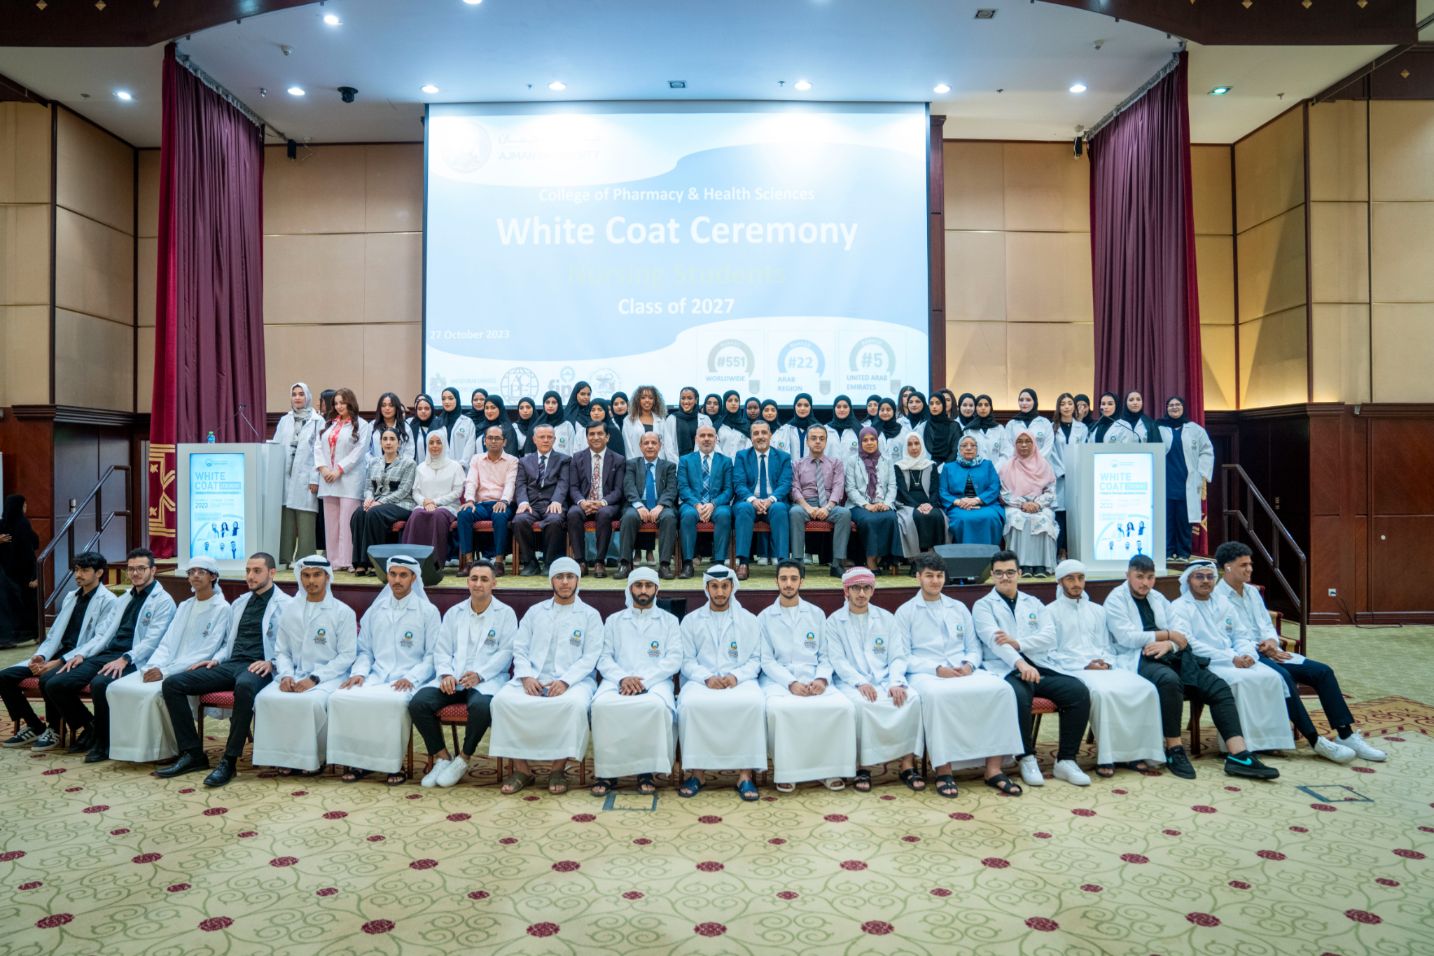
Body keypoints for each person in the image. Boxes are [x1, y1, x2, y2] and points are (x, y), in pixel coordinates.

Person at [1104, 554, 1279, 780]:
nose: (1145, 583)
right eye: (1139, 577)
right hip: (1138, 656)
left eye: (1150, 577)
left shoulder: (1158, 598)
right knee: (1170, 681)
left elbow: (1181, 635)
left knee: (1218, 687)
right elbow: (1127, 637)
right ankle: (1174, 748)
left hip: (1171, 653)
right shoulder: (1116, 599)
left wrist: (1169, 643)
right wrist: (1167, 635)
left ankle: (1239, 754)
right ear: (1128, 575)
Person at [1214, 541, 1385, 762]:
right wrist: (1260, 649)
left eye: (1250, 564)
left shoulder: (1252, 593)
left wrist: (1271, 642)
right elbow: (1225, 637)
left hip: (1271, 652)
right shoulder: (1216, 598)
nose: (1250, 569)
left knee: (1322, 672)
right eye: (1243, 565)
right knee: (1283, 678)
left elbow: (1266, 624)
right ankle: (1315, 740)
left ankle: (1346, 734)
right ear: (1227, 567)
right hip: (1247, 657)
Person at [155, 552, 292, 786]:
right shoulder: (239, 603)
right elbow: (227, 641)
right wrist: (216, 660)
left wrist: (273, 662)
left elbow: (291, 646)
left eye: (257, 571)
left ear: (272, 573)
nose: (250, 576)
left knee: (245, 686)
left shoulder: (287, 605)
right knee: (173, 684)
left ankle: (229, 760)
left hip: (260, 666)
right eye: (248, 571)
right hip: (231, 663)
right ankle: (193, 753)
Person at [895, 554, 1024, 797]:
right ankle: (944, 769)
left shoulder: (958, 607)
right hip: (926, 673)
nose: (935, 581)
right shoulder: (905, 612)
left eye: (939, 576)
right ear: (918, 577)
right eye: (929, 576)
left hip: (963, 669)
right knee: (938, 697)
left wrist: (969, 665)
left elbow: (974, 647)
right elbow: (902, 656)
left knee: (1002, 690)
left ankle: (993, 769)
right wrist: (937, 669)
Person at [1031, 560, 1164, 778]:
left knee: (1145, 689)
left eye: (1080, 578)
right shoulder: (1049, 612)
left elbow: (1108, 646)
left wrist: (1106, 662)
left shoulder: (1098, 611)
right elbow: (1050, 653)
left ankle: (1136, 753)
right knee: (1103, 693)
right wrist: (1085, 665)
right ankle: (1108, 756)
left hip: (1105, 666)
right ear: (1060, 582)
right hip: (1072, 669)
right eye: (1070, 579)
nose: (1076, 583)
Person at [971, 551, 1093, 787]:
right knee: (1019, 695)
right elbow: (995, 642)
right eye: (999, 573)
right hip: (1006, 668)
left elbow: (1049, 636)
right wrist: (1020, 662)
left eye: (1010, 572)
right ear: (992, 575)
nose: (1005, 577)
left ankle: (1066, 760)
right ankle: (1026, 757)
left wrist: (1018, 643)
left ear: (1018, 573)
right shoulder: (983, 606)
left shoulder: (1033, 602)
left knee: (1077, 691)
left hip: (1040, 665)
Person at [44, 548, 175, 762]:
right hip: (107, 654)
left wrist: (125, 659)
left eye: (141, 568)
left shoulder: (163, 601)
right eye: (131, 569)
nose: (135, 573)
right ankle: (90, 726)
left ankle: (103, 743)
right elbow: (101, 634)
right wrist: (82, 654)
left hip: (134, 658)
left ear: (153, 570)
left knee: (100, 684)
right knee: (54, 683)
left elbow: (153, 641)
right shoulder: (124, 598)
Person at [490, 557, 602, 795]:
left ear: (578, 581)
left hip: (574, 681)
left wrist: (565, 681)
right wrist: (526, 676)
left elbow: (591, 656)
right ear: (551, 580)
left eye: (570, 577)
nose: (565, 582)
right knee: (501, 702)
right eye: (559, 577)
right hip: (532, 678)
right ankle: (522, 769)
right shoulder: (535, 612)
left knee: (573, 706)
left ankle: (557, 769)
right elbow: (519, 648)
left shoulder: (590, 615)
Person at [107, 556, 231, 765]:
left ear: (213, 576)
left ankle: (165, 750)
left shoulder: (222, 608)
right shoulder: (185, 606)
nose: (195, 576)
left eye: (201, 572)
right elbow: (167, 643)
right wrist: (153, 666)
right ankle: (130, 749)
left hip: (191, 670)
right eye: (191, 572)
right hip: (165, 664)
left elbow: (206, 652)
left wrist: (166, 672)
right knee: (117, 688)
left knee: (153, 695)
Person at [329, 555, 440, 785]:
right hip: (376, 675)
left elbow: (432, 656)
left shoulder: (428, 612)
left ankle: (394, 765)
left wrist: (411, 677)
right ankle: (359, 762)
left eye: (403, 575)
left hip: (412, 678)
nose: (397, 580)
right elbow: (364, 651)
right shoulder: (375, 610)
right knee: (342, 697)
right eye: (393, 574)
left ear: (413, 578)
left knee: (393, 703)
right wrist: (359, 673)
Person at [410, 559, 517, 788]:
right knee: (418, 703)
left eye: (484, 579)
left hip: (486, 680)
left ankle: (463, 758)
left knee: (481, 707)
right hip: (453, 679)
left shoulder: (506, 614)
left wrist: (480, 674)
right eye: (474, 578)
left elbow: (506, 653)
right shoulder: (454, 613)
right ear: (468, 582)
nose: (478, 584)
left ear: (494, 583)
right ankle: (442, 757)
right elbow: (441, 649)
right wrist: (446, 674)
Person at [1172, 560, 1298, 755]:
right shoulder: (1179, 607)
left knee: (1271, 677)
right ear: (1188, 580)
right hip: (1209, 662)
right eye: (1199, 577)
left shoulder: (1223, 603)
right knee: (1239, 682)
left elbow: (1241, 635)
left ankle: (1270, 741)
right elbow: (1190, 644)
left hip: (1237, 657)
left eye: (1210, 576)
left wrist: (1247, 653)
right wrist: (1230, 659)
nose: (1205, 581)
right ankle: (1243, 744)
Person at [251, 555, 358, 776]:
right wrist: (286, 676)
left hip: (330, 677)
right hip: (295, 674)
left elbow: (347, 656)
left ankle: (314, 759)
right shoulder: (290, 610)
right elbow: (281, 650)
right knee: (265, 699)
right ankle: (283, 758)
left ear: (327, 577)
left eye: (317, 575)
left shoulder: (343, 612)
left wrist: (315, 679)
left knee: (311, 702)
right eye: (306, 575)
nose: (311, 581)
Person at [2, 551, 116, 751]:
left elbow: (99, 640)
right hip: (58, 653)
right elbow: (54, 633)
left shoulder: (109, 601)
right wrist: (41, 656)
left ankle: (54, 729)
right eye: (76, 570)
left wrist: (59, 661)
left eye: (84, 570)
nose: (78, 575)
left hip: (82, 657)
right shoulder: (71, 596)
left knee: (48, 679)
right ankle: (34, 726)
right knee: (4, 677)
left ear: (99, 573)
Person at [757, 559, 855, 792]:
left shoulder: (816, 614)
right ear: (776, 581)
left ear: (802, 581)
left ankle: (829, 770)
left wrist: (821, 679)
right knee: (780, 710)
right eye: (783, 579)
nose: (788, 584)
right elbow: (766, 661)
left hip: (814, 677)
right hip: (779, 681)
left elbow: (826, 655)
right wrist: (790, 683)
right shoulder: (764, 617)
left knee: (842, 708)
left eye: (793, 579)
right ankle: (788, 771)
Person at [825, 567, 925, 792]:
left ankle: (907, 764)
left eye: (866, 588)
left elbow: (898, 656)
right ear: (846, 591)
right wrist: (860, 682)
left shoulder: (887, 618)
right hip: (852, 682)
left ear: (872, 590)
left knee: (911, 699)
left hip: (885, 678)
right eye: (856, 588)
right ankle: (863, 766)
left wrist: (895, 682)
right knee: (861, 705)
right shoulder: (834, 621)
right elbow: (838, 660)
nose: (861, 593)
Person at [676, 565, 767, 801]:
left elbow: (756, 659)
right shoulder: (691, 620)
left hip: (739, 680)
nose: (719, 592)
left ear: (732, 587)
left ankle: (745, 775)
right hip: (701, 680)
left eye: (724, 586)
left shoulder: (749, 620)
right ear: (706, 588)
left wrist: (736, 676)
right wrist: (706, 677)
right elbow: (685, 660)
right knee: (690, 705)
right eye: (714, 587)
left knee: (753, 703)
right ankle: (697, 773)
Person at [589, 567, 682, 795]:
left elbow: (674, 659)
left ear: (656, 589)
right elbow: (603, 657)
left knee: (655, 707)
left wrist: (644, 682)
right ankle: (608, 772)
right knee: (602, 706)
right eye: (638, 585)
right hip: (617, 680)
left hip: (656, 682)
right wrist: (623, 678)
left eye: (648, 585)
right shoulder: (614, 620)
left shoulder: (669, 621)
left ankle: (646, 770)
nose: (643, 590)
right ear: (630, 588)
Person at [314, 387, 370, 572]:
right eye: (336, 403)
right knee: (331, 524)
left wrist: (339, 469)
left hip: (349, 480)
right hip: (328, 479)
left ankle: (348, 560)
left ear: (350, 403)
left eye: (342, 403)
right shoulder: (328, 424)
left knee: (347, 522)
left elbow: (359, 452)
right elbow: (317, 447)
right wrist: (323, 469)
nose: (339, 406)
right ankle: (333, 560)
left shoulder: (362, 424)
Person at [349, 426, 417, 576]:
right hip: (377, 504)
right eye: (385, 439)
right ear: (380, 443)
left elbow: (403, 491)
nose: (388, 442)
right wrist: (368, 498)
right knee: (359, 513)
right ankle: (360, 562)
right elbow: (368, 487)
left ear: (399, 443)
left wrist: (380, 502)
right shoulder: (374, 462)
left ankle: (376, 562)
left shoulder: (409, 463)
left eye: (392, 439)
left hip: (401, 504)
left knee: (374, 513)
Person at [564, 420, 626, 577]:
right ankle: (580, 561)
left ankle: (599, 562)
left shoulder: (618, 459)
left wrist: (602, 502)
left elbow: (618, 490)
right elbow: (573, 487)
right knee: (572, 513)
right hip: (584, 503)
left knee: (604, 514)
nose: (596, 437)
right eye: (591, 434)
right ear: (586, 438)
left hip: (607, 504)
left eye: (600, 434)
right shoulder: (577, 458)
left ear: (607, 437)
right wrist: (582, 502)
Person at [789, 424, 851, 577]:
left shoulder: (836, 463)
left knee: (845, 514)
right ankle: (798, 563)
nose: (818, 441)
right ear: (807, 442)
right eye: (814, 438)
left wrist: (827, 508)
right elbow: (794, 489)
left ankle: (837, 564)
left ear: (826, 442)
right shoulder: (797, 464)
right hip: (805, 504)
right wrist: (807, 507)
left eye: (821, 439)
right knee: (794, 512)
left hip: (828, 504)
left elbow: (838, 487)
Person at [733, 419, 792, 580]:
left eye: (764, 432)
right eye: (756, 433)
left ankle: (783, 562)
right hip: (749, 502)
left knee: (780, 508)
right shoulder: (742, 456)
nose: (760, 436)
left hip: (773, 502)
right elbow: (739, 483)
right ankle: (743, 562)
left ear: (770, 435)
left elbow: (785, 483)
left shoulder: (783, 457)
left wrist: (771, 499)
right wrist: (753, 500)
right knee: (743, 508)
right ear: (751, 437)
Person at [1157, 396, 1214, 561]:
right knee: (1167, 519)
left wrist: (1201, 473)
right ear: (1166, 408)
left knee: (1183, 520)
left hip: (1186, 482)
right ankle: (1167, 552)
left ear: (1183, 408)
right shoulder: (1159, 428)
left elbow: (1207, 451)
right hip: (1166, 481)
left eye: (1177, 405)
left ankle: (1183, 553)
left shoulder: (1195, 429)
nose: (1174, 407)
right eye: (1171, 405)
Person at [272, 383, 322, 568]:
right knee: (286, 518)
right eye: (294, 394)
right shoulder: (284, 420)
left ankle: (304, 558)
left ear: (307, 396)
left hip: (306, 477)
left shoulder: (317, 421)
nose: (297, 397)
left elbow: (319, 452)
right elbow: (276, 447)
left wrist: (315, 478)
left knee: (306, 518)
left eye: (301, 394)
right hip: (286, 475)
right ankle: (284, 558)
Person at [456, 425, 517, 575]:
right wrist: (469, 500)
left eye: (497, 438)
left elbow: (510, 483)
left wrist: (504, 501)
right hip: (481, 505)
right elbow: (471, 481)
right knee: (464, 514)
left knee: (500, 516)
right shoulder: (476, 459)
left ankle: (499, 562)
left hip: (503, 503)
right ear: (484, 441)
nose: (493, 441)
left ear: (504, 442)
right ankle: (469, 562)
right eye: (490, 438)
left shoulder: (512, 461)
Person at [618, 431, 680, 579]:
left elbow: (671, 489)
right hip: (637, 504)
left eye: (654, 443)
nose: (650, 446)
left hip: (661, 505)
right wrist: (639, 505)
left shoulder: (669, 466)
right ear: (640, 446)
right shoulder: (632, 464)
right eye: (646, 443)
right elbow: (629, 486)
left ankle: (664, 565)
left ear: (660, 446)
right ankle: (625, 564)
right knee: (629, 517)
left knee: (669, 518)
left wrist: (661, 505)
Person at [512, 425, 572, 576]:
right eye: (542, 437)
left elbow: (563, 482)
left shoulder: (564, 460)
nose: (546, 440)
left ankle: (549, 562)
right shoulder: (524, 461)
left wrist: (557, 500)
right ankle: (530, 562)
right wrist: (523, 502)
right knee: (519, 520)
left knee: (554, 520)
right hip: (531, 505)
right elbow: (520, 484)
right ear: (534, 439)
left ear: (554, 439)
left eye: (549, 437)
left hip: (552, 503)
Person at [676, 424, 734, 579]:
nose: (706, 439)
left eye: (710, 436)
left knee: (724, 515)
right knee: (687, 516)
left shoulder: (726, 461)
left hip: (717, 505)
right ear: (696, 439)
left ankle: (719, 563)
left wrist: (712, 504)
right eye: (702, 436)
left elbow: (729, 490)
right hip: (692, 504)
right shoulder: (685, 460)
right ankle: (688, 563)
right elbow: (683, 488)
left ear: (716, 439)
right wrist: (697, 505)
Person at [400, 430, 465, 567]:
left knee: (437, 515)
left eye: (438, 442)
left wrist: (435, 502)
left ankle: (435, 562)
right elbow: (415, 491)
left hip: (448, 507)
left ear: (444, 444)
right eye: (431, 442)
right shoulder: (421, 467)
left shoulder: (455, 466)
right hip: (424, 505)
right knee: (416, 515)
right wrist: (424, 502)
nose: (435, 446)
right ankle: (411, 561)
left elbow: (458, 491)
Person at [999, 430, 1059, 575]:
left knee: (1044, 519)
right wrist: (1022, 504)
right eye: (1020, 442)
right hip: (1016, 505)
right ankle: (1021, 564)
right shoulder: (1007, 467)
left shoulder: (1044, 465)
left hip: (1040, 505)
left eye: (1028, 441)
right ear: (1015, 445)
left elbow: (1050, 490)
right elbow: (1003, 492)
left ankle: (1042, 565)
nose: (1024, 445)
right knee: (1018, 519)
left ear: (1034, 444)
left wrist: (1037, 504)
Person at [845, 427, 901, 570]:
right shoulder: (852, 461)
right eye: (865, 440)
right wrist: (866, 505)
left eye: (872, 439)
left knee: (891, 518)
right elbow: (850, 488)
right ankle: (871, 559)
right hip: (858, 505)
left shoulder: (887, 460)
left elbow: (892, 486)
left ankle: (887, 559)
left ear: (877, 441)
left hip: (882, 503)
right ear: (860, 442)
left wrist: (886, 503)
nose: (869, 443)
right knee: (869, 520)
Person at [939, 435, 1004, 547]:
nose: (969, 448)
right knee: (963, 519)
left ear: (977, 448)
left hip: (985, 504)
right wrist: (959, 502)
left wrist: (977, 500)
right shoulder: (948, 467)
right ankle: (965, 554)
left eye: (972, 445)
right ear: (959, 449)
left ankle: (990, 554)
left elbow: (994, 487)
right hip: (959, 506)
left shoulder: (987, 465)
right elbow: (942, 491)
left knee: (991, 517)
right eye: (964, 445)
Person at [893, 432, 947, 561]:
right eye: (910, 444)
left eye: (917, 443)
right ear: (905, 447)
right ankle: (916, 559)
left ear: (922, 445)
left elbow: (935, 489)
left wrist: (930, 504)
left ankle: (934, 557)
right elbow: (902, 492)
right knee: (915, 517)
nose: (914, 447)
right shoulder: (899, 466)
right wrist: (917, 506)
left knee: (937, 516)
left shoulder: (930, 465)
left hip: (929, 503)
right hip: (907, 504)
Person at [1050, 392, 1088, 560]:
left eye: (1069, 403)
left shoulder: (1082, 428)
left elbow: (1084, 450)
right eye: (1063, 404)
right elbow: (1050, 452)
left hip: (1077, 476)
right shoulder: (1052, 427)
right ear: (1058, 407)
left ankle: (1072, 552)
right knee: (1059, 515)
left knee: (1074, 514)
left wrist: (1075, 470)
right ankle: (1059, 551)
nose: (1066, 407)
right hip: (1059, 477)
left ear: (1074, 406)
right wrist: (1062, 470)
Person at [0, 493, 40, 646]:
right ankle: (34, 635)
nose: (26, 508)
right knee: (27, 604)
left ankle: (7, 638)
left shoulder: (2, 524)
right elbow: (30, 550)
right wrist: (34, 575)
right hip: (22, 576)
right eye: (24, 505)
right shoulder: (22, 524)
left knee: (7, 608)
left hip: (5, 575)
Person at [1004, 388, 1054, 460]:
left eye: (1028, 400)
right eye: (1021, 400)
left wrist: (1034, 461)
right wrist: (1020, 460)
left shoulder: (1045, 423)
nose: (1024, 403)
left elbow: (1048, 446)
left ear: (1035, 402)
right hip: (1017, 463)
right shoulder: (1011, 424)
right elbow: (1008, 446)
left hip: (1039, 464)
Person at [622, 385, 669, 463]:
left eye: (650, 398)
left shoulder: (661, 420)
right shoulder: (628, 420)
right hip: (636, 464)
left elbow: (666, 445)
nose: (647, 400)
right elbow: (628, 447)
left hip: (658, 465)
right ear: (638, 400)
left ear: (655, 401)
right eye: (643, 397)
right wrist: (633, 466)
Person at [664, 386, 711, 463]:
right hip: (677, 464)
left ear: (696, 400)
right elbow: (668, 447)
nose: (686, 401)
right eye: (683, 398)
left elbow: (709, 444)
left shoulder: (705, 419)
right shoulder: (671, 419)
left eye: (689, 398)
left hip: (699, 464)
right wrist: (680, 464)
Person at [437, 386, 478, 469]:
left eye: (450, 398)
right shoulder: (437, 422)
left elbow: (470, 446)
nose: (446, 402)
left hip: (462, 469)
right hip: (441, 469)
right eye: (443, 399)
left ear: (457, 400)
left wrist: (462, 464)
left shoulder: (467, 422)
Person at [774, 392, 818, 460]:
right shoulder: (785, 429)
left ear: (811, 407)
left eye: (806, 405)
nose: (802, 408)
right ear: (794, 407)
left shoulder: (819, 429)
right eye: (799, 405)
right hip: (790, 467)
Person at [368, 391, 413, 459]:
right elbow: (367, 451)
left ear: (396, 408)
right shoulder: (371, 426)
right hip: (375, 464)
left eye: (391, 405)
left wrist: (399, 464)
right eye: (384, 405)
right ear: (380, 408)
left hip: (401, 464)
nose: (387, 408)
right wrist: (375, 463)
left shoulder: (405, 427)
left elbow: (409, 452)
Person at [523, 390, 569, 456]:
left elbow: (571, 451)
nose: (550, 406)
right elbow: (529, 451)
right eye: (547, 402)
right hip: (539, 462)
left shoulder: (567, 426)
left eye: (554, 403)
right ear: (544, 404)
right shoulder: (537, 426)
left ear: (559, 404)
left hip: (563, 461)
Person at [966, 395, 1008, 464]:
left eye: (986, 405)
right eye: (980, 405)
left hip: (996, 469)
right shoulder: (968, 430)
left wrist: (996, 468)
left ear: (990, 408)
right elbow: (966, 454)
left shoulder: (1000, 429)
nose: (983, 408)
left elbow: (1006, 452)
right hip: (975, 468)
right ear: (975, 408)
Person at [921, 392, 958, 464]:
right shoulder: (924, 426)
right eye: (931, 403)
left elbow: (956, 450)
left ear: (943, 405)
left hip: (948, 467)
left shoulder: (954, 426)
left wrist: (944, 466)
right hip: (927, 466)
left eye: (938, 403)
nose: (934, 406)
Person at [715, 389, 752, 460]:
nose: (733, 403)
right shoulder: (718, 425)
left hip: (741, 463)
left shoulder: (746, 424)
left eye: (736, 401)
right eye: (730, 400)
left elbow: (749, 447)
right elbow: (715, 446)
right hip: (722, 464)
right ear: (724, 403)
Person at [824, 395, 861, 462]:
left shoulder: (858, 429)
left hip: (852, 469)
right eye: (838, 407)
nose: (842, 409)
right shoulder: (825, 429)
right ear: (834, 408)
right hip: (829, 468)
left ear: (850, 408)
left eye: (845, 407)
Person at [872, 398, 909, 465]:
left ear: (894, 411)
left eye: (888, 410)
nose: (885, 412)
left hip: (898, 469)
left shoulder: (903, 431)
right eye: (882, 410)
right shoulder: (873, 430)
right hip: (877, 469)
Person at [408, 394, 440, 461]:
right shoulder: (410, 425)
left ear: (431, 409)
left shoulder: (439, 424)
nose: (423, 411)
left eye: (426, 408)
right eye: (420, 408)